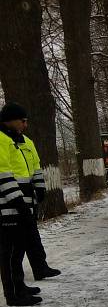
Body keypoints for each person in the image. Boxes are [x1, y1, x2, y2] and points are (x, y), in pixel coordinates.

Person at [0, 103, 41, 306]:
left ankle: (19, 287)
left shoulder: (11, 139)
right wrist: (19, 203)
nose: (25, 125)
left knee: (19, 250)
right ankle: (13, 294)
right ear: (11, 119)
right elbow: (3, 175)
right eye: (22, 120)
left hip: (20, 203)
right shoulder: (1, 139)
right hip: (8, 206)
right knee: (9, 252)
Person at [14, 109, 60, 281]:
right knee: (16, 241)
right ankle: (14, 280)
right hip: (12, 197)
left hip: (28, 195)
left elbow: (36, 166)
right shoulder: (5, 142)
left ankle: (40, 267)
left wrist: (40, 188)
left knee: (32, 234)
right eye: (22, 121)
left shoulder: (27, 142)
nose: (25, 125)